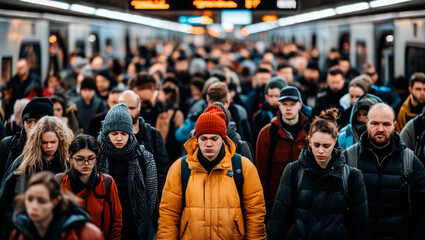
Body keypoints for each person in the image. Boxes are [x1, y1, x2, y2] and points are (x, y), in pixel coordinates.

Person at [158, 105, 266, 239]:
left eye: (214, 138)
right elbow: (168, 215)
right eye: (203, 138)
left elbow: (255, 213)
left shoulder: (243, 167)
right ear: (196, 139)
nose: (208, 144)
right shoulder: (180, 168)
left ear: (223, 139)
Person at [268, 108, 369, 239]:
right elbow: (279, 219)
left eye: (326, 146)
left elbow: (360, 226)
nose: (321, 151)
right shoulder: (293, 171)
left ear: (334, 141)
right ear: (309, 141)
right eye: (316, 145)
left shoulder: (352, 176)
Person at [344, 103, 425, 239]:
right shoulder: (349, 157)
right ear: (366, 123)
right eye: (375, 123)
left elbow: (424, 206)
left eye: (386, 124)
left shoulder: (409, 160)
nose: (380, 129)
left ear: (394, 125)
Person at [0, 116, 74, 239]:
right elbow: (6, 195)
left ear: (60, 140)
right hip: (30, 221)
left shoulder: (67, 163)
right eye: (44, 142)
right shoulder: (25, 162)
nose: (49, 146)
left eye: (53, 142)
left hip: (61, 223)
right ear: (37, 141)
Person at [97, 103, 158, 239]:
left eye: (124, 134)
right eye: (114, 133)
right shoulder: (96, 155)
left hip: (134, 224)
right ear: (107, 133)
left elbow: (151, 195)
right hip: (104, 221)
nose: (119, 138)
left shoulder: (144, 157)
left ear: (130, 134)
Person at [256, 86, 310, 220]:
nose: (288, 108)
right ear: (278, 105)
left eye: (292, 104)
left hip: (307, 204)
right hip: (277, 205)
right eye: (285, 104)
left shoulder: (311, 132)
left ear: (300, 105)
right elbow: (261, 175)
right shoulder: (266, 134)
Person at [57, 134, 122, 239]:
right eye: (80, 159)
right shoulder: (59, 182)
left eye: (91, 158)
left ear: (96, 159)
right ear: (70, 158)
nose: (86, 163)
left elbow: (116, 220)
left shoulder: (107, 182)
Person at [10, 171, 104, 240]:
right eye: (29, 199)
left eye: (42, 201)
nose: (34, 206)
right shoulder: (19, 233)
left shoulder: (86, 234)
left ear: (55, 201)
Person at [118, 90, 170, 199]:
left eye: (131, 108)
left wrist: (158, 199)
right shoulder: (108, 136)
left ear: (139, 107)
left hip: (148, 198)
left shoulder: (153, 135)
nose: (127, 112)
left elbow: (162, 170)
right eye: (124, 108)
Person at [0, 97, 54, 185]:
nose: (32, 126)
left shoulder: (57, 147)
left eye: (37, 122)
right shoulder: (8, 144)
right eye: (28, 121)